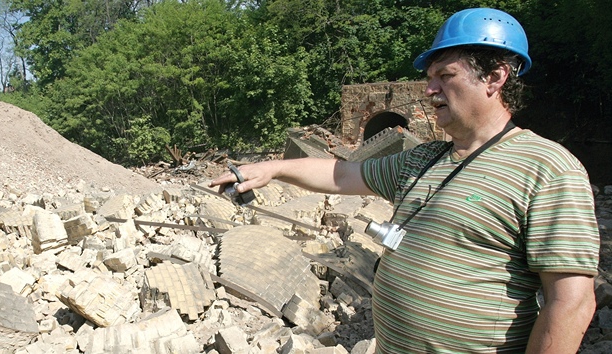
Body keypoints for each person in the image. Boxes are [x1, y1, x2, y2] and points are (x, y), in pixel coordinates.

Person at [210, 8, 600, 353]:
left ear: (495, 77)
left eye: (445, 76)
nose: (430, 90)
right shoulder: (425, 158)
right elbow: (343, 174)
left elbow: (570, 302)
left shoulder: (547, 167)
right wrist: (274, 168)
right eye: (430, 78)